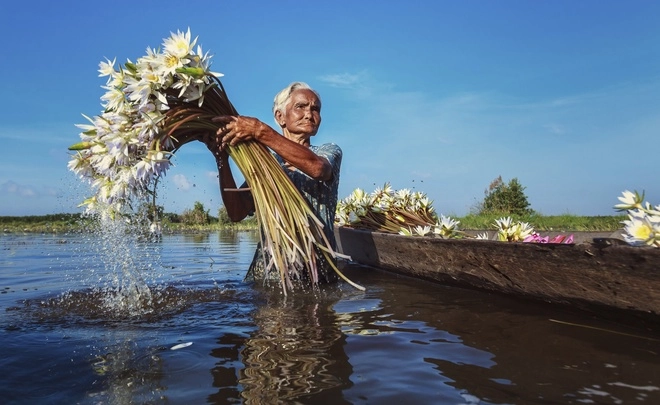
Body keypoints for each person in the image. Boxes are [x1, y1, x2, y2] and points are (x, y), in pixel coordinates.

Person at [208, 82, 342, 283]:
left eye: (315, 109)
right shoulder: (265, 163)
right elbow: (237, 212)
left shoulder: (328, 152)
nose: (309, 114)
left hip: (316, 272)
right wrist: (221, 160)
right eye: (301, 106)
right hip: (270, 273)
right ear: (280, 117)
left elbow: (317, 168)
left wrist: (261, 132)